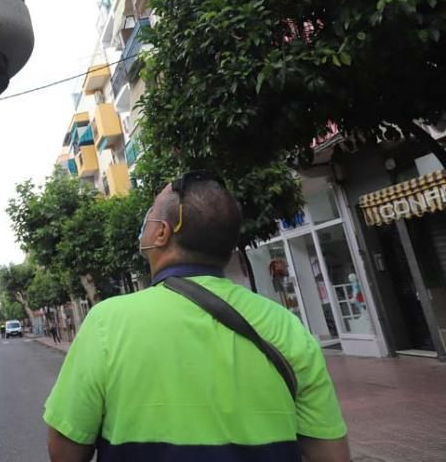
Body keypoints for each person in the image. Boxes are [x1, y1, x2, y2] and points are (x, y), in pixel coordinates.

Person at [44, 172, 350, 462]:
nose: (145, 223)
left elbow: (65, 452)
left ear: (162, 233)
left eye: (150, 213)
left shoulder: (106, 323)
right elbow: (332, 453)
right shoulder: (286, 325)